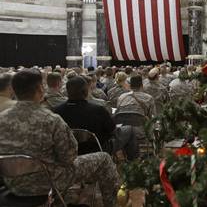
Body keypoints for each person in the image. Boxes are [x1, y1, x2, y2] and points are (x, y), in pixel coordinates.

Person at [0, 70, 120, 206]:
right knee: (104, 158)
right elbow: (69, 157)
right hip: (48, 181)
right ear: (40, 89)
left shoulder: (2, 118)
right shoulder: (51, 119)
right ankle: (111, 204)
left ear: (14, 91)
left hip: (12, 183)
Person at [54, 76, 138, 159]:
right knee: (129, 129)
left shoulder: (57, 111)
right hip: (98, 151)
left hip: (69, 152)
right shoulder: (98, 110)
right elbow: (112, 131)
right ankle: (133, 164)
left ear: (67, 92)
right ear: (86, 91)